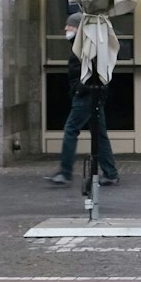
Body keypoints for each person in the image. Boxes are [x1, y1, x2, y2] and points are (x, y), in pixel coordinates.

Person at [48, 12, 119, 186]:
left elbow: (90, 73)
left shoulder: (85, 47)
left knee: (71, 130)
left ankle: (65, 172)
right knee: (99, 134)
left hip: (86, 96)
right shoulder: (85, 45)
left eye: (70, 25)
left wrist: (79, 90)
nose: (66, 29)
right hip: (93, 95)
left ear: (79, 28)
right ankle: (110, 173)